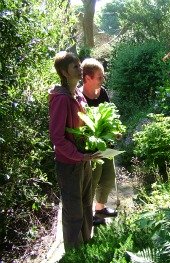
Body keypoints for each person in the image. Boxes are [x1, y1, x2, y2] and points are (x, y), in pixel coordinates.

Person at [48, 51, 101, 250]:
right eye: (75, 67)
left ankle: (87, 243)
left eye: (80, 66)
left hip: (84, 159)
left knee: (87, 203)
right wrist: (79, 155)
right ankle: (74, 252)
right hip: (69, 163)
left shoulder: (78, 94)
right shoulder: (61, 99)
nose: (80, 70)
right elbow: (57, 137)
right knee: (73, 210)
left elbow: (88, 124)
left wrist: (105, 134)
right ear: (63, 72)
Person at [80, 58, 120, 225]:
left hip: (106, 145)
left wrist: (115, 131)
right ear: (87, 77)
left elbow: (110, 115)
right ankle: (87, 216)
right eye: (99, 77)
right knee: (93, 181)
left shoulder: (102, 92)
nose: (102, 80)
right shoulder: (79, 96)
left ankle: (99, 210)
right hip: (91, 149)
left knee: (108, 178)